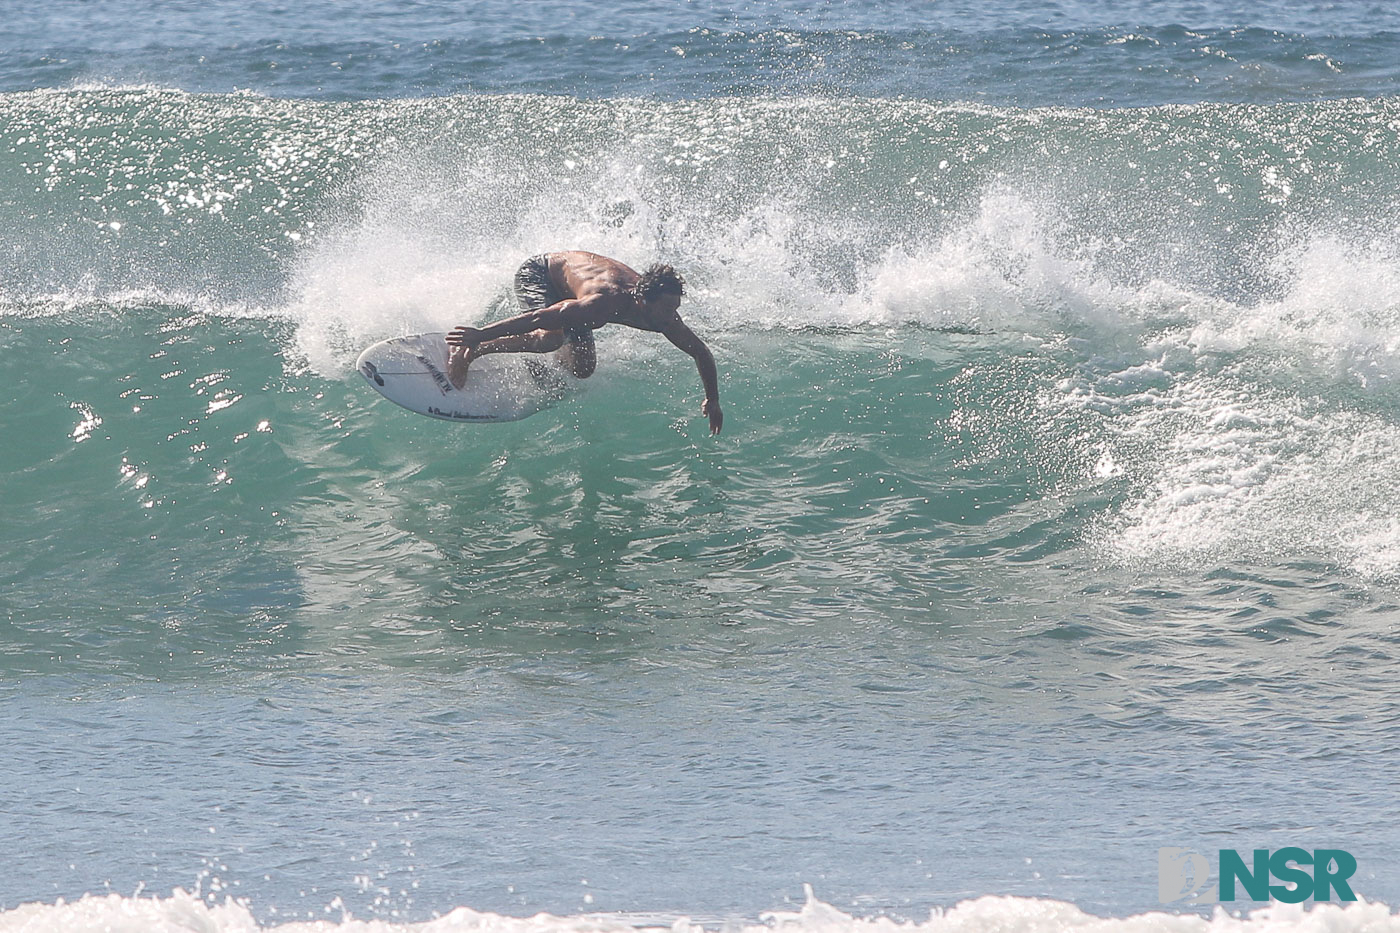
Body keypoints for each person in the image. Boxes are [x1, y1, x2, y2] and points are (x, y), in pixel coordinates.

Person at [447, 251, 723, 434]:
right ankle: (472, 352)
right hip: (541, 273)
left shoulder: (664, 318)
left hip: (574, 295)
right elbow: (537, 318)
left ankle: (539, 365)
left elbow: (700, 352)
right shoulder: (603, 303)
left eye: (674, 307)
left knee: (583, 369)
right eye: (665, 309)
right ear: (642, 301)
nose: (670, 316)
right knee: (549, 338)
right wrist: (480, 334)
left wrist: (713, 398)